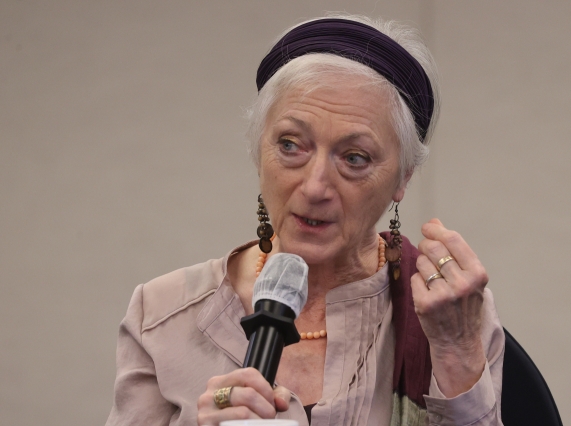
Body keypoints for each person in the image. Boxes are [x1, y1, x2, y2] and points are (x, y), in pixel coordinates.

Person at [106, 14, 504, 426]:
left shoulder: (450, 315)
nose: (315, 187)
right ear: (258, 149)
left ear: (403, 177)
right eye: (292, 145)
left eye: (354, 158)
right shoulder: (161, 313)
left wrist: (455, 351)